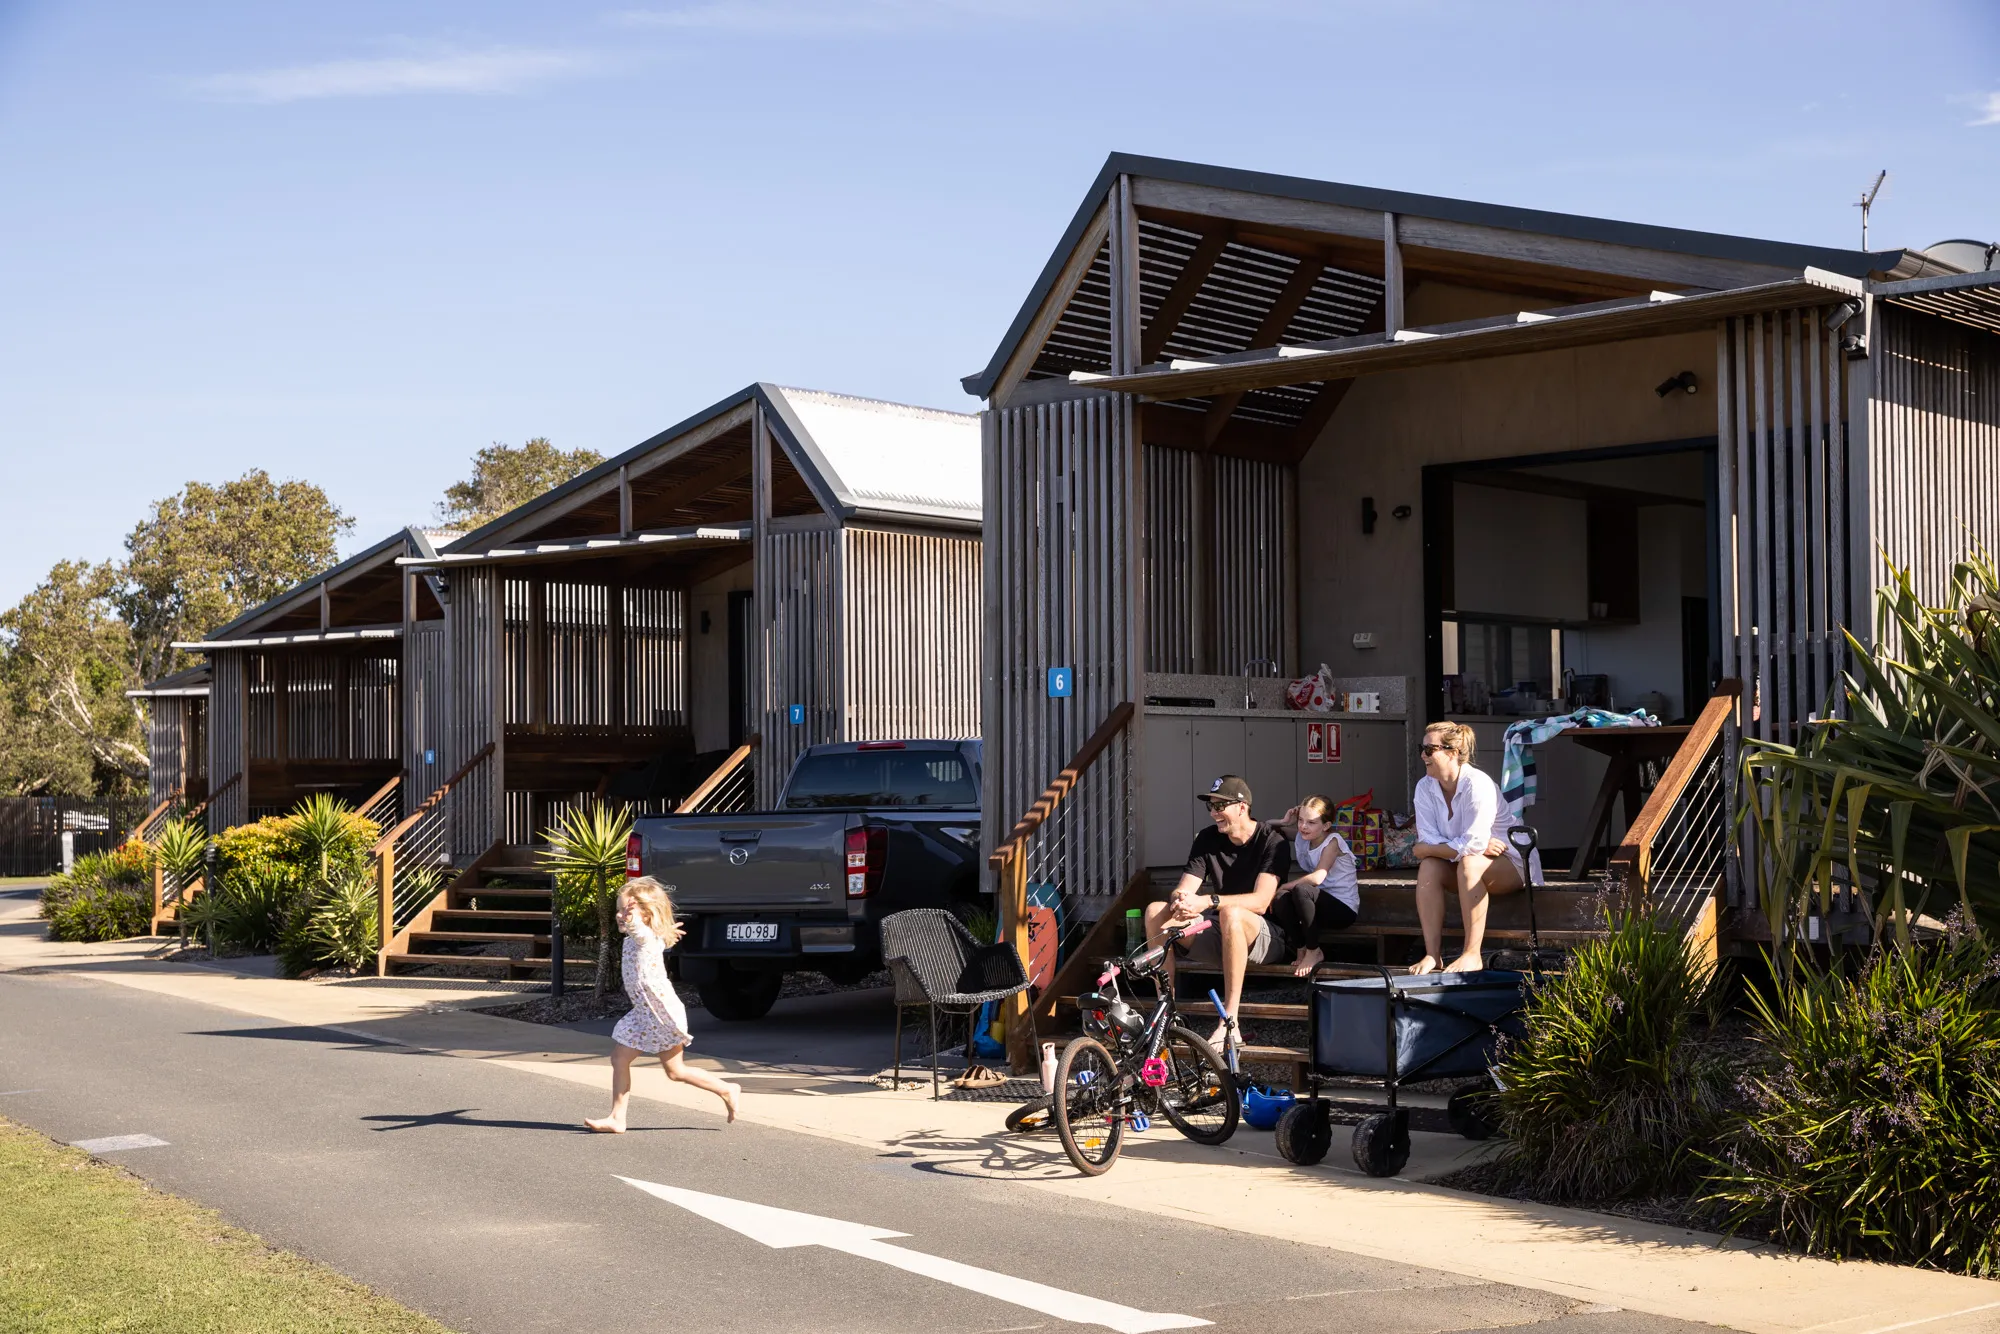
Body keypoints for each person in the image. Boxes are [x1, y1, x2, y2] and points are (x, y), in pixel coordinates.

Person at [1144, 774, 1290, 1046]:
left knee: (1230, 913)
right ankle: (1167, 1012)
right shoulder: (1207, 839)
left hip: (1267, 936)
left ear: (1242, 807)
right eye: (1210, 807)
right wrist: (1181, 900)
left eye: (1220, 806)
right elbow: (1185, 887)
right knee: (1155, 911)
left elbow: (1260, 901)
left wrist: (1208, 901)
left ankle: (1229, 1021)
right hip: (1219, 931)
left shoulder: (1273, 841)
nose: (1214, 813)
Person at [586, 877, 740, 1132]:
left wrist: (632, 920)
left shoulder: (643, 936)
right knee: (625, 1060)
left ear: (646, 915)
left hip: (660, 1013)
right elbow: (637, 930)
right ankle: (617, 1118)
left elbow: (638, 930)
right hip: (644, 1013)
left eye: (627, 910)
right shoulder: (641, 937)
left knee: (675, 1071)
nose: (620, 915)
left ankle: (727, 1088)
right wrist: (630, 917)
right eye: (619, 910)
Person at [1411, 722, 1527, 975]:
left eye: (1429, 749)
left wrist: (1437, 848)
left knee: (1469, 861)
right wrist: (1456, 847)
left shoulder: (1478, 783)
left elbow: (1458, 845)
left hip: (1511, 862)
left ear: (1452, 752)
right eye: (1422, 748)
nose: (1422, 755)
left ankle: (1472, 954)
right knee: (1429, 866)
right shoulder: (1424, 787)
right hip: (1462, 864)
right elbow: (1428, 840)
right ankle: (1432, 954)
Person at [1270, 795, 1360, 978]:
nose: (1303, 826)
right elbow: (1267, 829)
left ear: (1325, 826)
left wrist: (1285, 885)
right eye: (1301, 820)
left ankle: (1314, 950)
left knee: (1300, 889)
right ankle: (1301, 947)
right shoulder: (1304, 837)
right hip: (1313, 905)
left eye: (1311, 822)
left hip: (1342, 909)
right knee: (1280, 899)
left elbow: (1318, 877)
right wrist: (1284, 821)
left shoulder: (1332, 841)